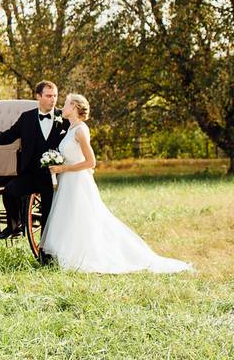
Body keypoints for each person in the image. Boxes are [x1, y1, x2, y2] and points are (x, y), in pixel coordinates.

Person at [40, 94, 192, 273]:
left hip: (78, 182)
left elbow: (91, 162)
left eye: (65, 104)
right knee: (69, 219)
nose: (62, 106)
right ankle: (68, 256)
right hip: (68, 182)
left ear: (73, 107)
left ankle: (85, 258)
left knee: (83, 219)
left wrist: (63, 169)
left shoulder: (81, 130)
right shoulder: (70, 129)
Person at [0, 81, 68, 242]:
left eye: (55, 95)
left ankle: (45, 254)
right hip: (30, 174)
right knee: (10, 191)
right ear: (38, 97)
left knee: (47, 216)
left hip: (53, 178)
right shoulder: (26, 118)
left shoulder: (63, 118)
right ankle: (15, 226)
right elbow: (5, 137)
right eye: (49, 96)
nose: (53, 99)